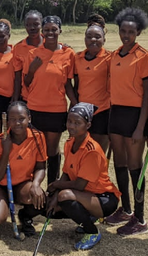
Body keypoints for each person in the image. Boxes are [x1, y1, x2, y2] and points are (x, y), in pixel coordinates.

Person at [105, 7, 148, 236]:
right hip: (116, 113)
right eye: (123, 31)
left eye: (131, 32)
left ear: (138, 33)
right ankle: (125, 209)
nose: (126, 35)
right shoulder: (115, 55)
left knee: (136, 167)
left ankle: (140, 218)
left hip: (135, 116)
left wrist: (141, 126)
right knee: (120, 163)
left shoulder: (144, 56)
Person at [46, 103, 121, 250]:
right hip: (84, 195)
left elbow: (80, 185)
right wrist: (54, 197)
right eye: (69, 121)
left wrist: (56, 185)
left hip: (104, 199)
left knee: (65, 196)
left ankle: (92, 232)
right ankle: (88, 219)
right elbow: (67, 173)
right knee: (50, 204)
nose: (71, 126)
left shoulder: (92, 150)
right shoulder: (69, 143)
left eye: (77, 123)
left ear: (88, 125)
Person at [0, 101, 47, 236]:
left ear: (29, 119)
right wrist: (6, 151)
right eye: (13, 119)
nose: (17, 123)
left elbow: (41, 167)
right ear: (7, 121)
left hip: (22, 184)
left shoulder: (38, 137)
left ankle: (25, 216)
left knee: (40, 199)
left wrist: (36, 184)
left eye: (21, 118)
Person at [21, 15, 76, 185]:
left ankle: (52, 186)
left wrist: (74, 104)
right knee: (36, 150)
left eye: (54, 29)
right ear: (42, 32)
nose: (50, 33)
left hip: (56, 109)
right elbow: (26, 82)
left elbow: (68, 83)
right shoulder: (33, 54)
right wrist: (32, 70)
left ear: (60, 30)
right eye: (46, 30)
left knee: (52, 150)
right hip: (35, 108)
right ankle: (32, 187)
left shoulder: (68, 54)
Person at [73, 14, 111, 153]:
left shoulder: (110, 58)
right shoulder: (77, 58)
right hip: (82, 112)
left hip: (102, 111)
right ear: (84, 39)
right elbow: (76, 85)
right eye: (89, 37)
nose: (93, 40)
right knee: (82, 151)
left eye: (97, 37)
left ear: (104, 40)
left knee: (98, 152)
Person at [12, 10, 44, 103]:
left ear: (41, 25)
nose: (32, 28)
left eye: (36, 24)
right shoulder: (18, 48)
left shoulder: (50, 44)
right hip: (27, 97)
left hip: (48, 96)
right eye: (28, 25)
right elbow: (18, 77)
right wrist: (15, 98)